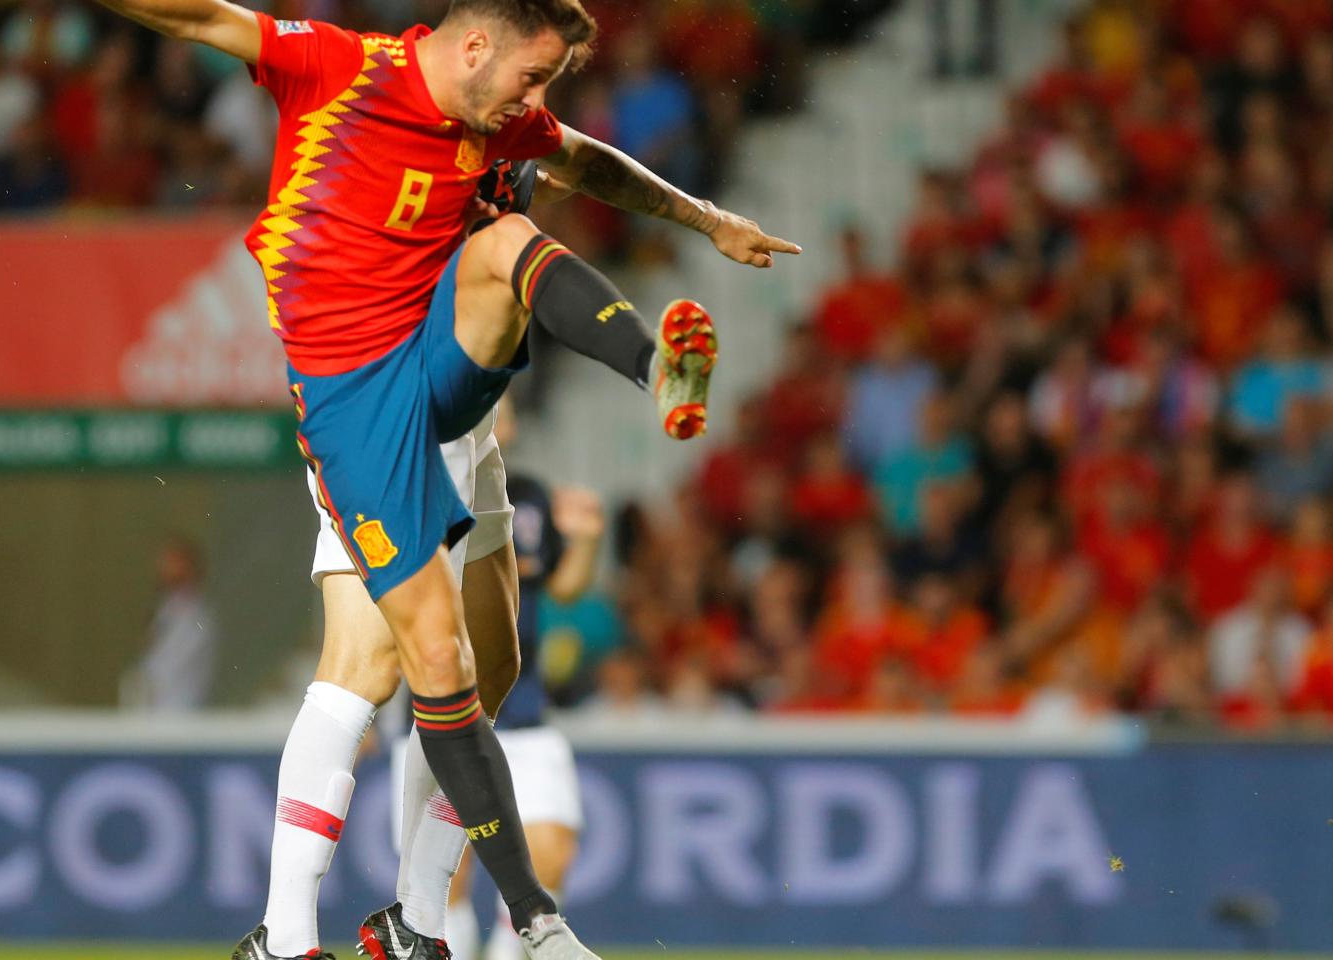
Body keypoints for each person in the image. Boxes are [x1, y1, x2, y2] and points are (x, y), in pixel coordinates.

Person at [85, 2, 799, 958]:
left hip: (449, 374)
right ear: (473, 46)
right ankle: (334, 933)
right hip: (357, 405)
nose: (538, 105)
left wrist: (706, 220)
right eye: (532, 79)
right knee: (392, 664)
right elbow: (204, 16)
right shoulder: (339, 70)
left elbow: (585, 160)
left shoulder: (505, 116)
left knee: (488, 663)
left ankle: (654, 368)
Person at [444, 395, 601, 960]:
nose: (498, 410)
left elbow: (561, 587)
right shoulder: (422, 487)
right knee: (447, 877)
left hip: (524, 707)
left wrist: (584, 540)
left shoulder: (530, 497)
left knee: (551, 855)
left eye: (505, 404)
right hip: (445, 711)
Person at [121, 536, 216, 712]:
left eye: (173, 561)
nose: (164, 566)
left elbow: (163, 670)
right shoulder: (166, 611)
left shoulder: (196, 620)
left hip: (177, 715)